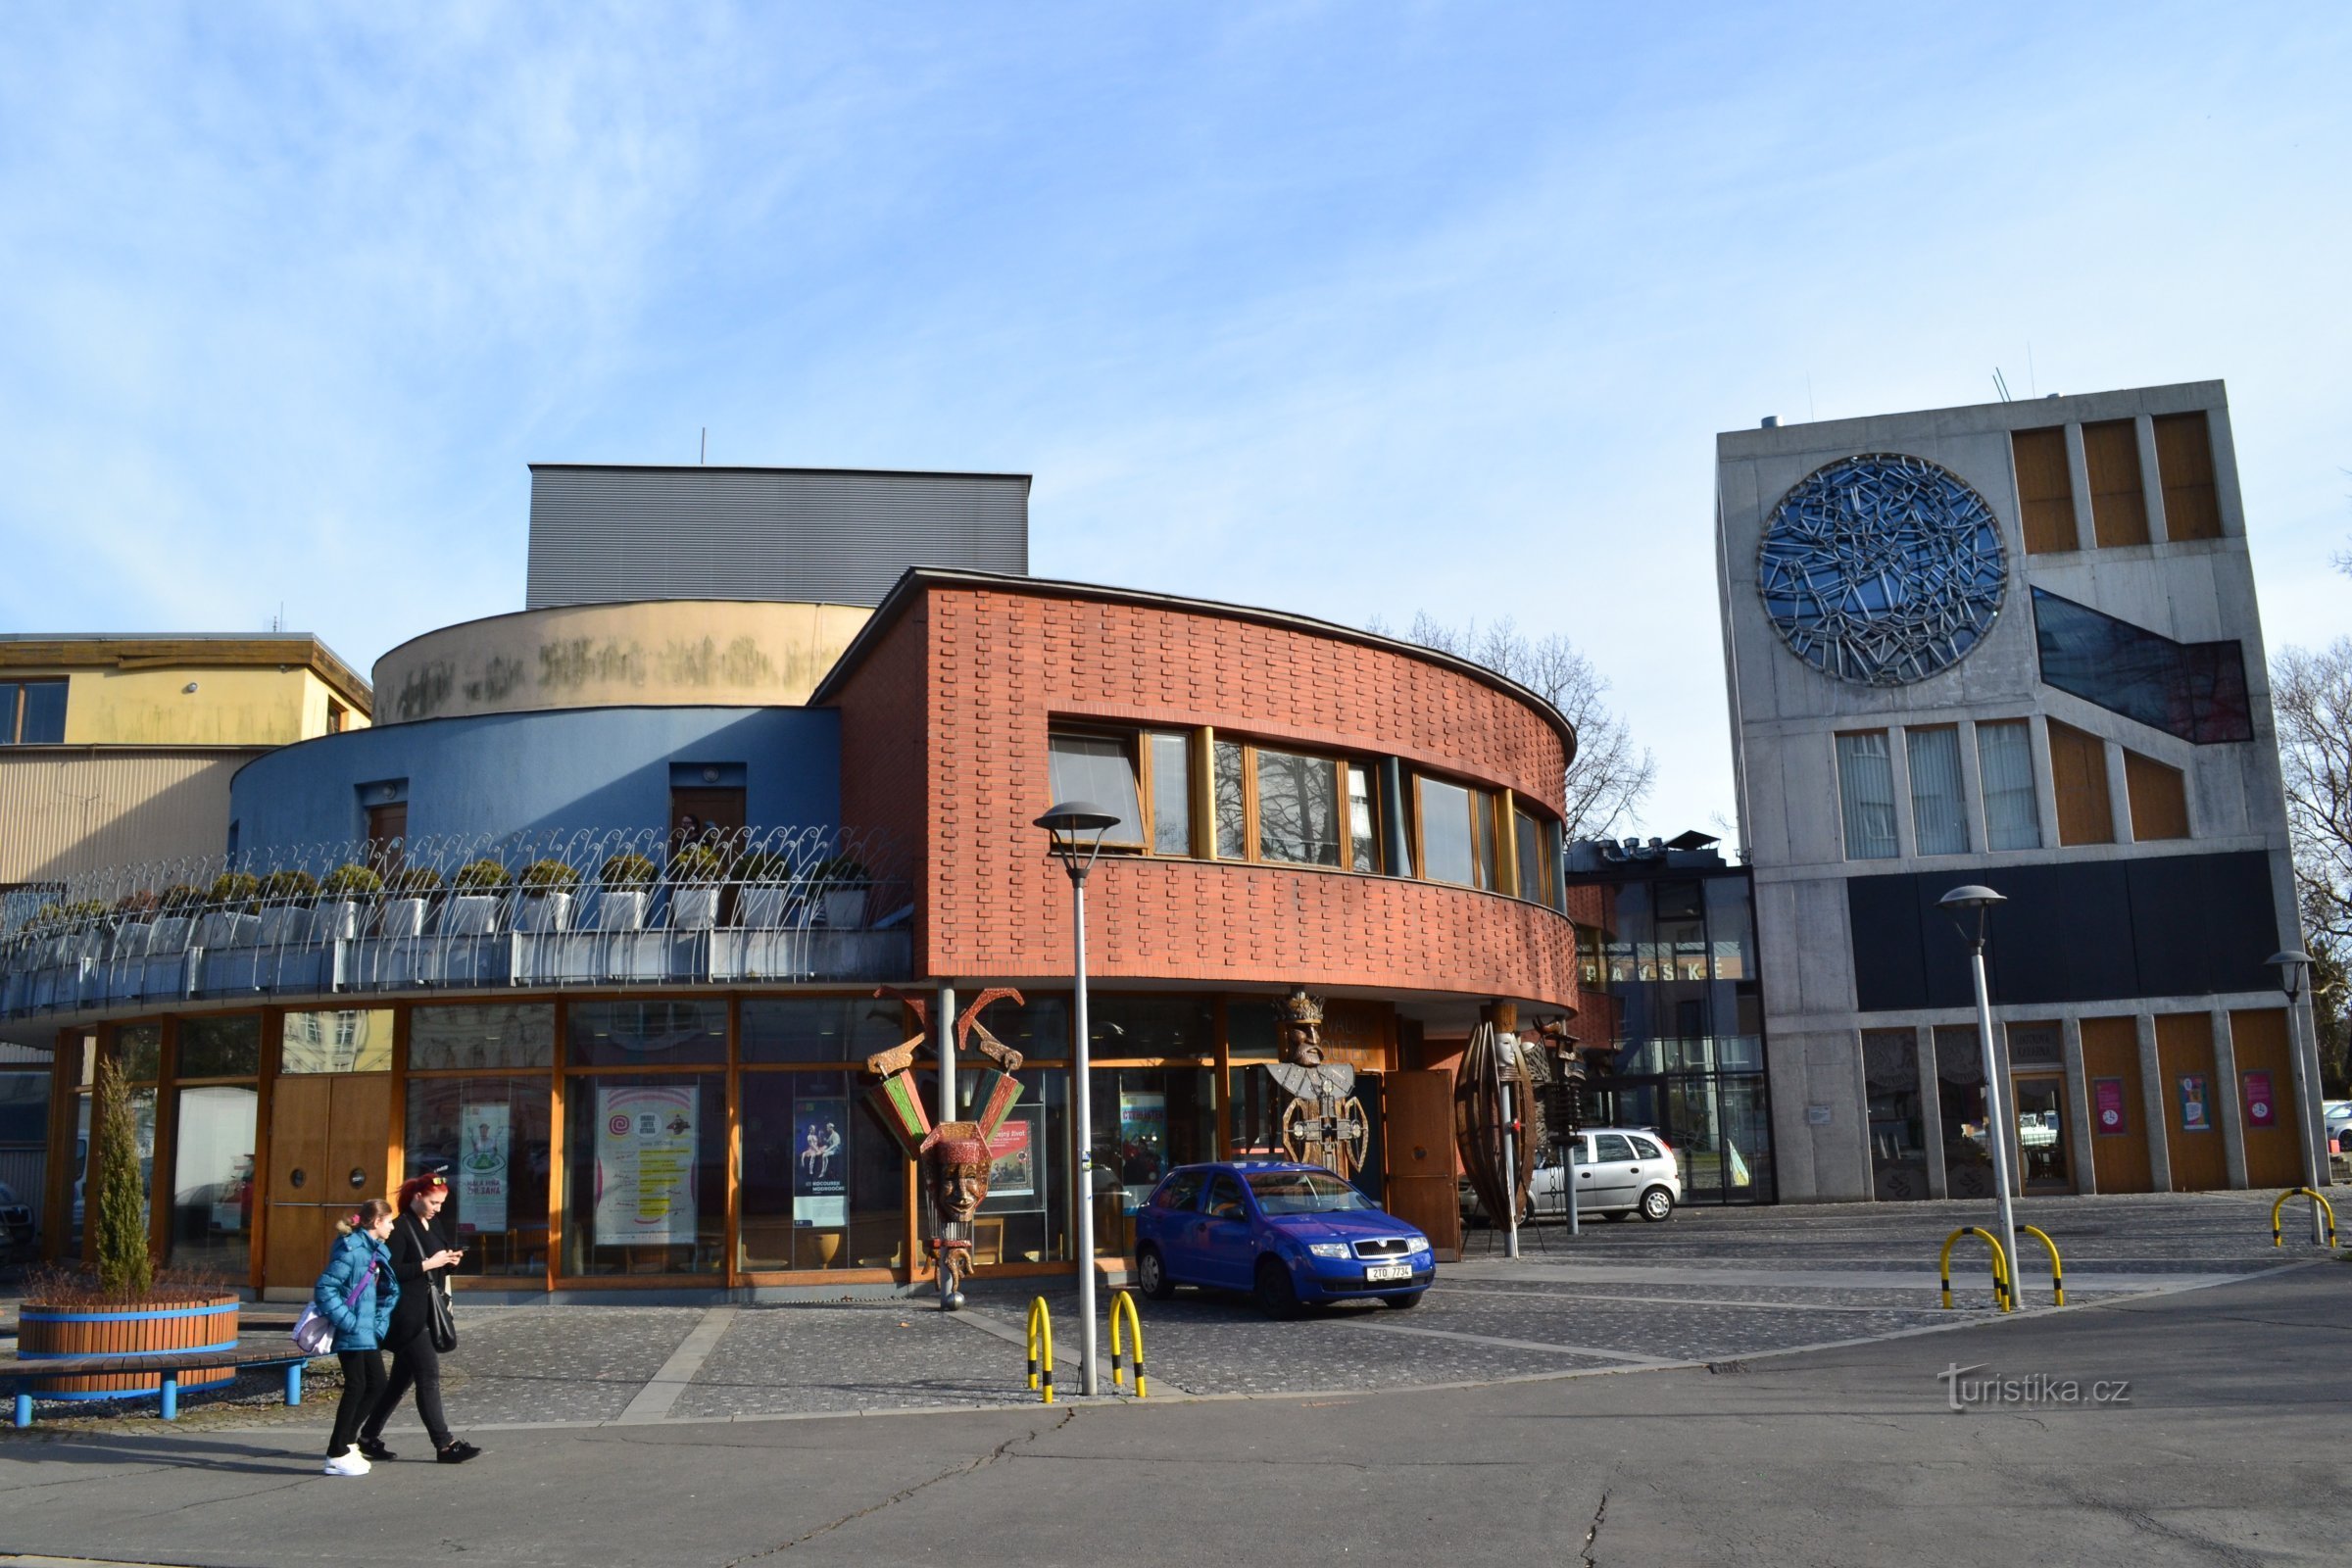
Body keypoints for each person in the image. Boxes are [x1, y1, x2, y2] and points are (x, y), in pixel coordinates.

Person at [358, 1166, 482, 1465]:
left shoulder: (433, 1226)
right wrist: (428, 1264)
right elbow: (391, 1272)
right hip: (405, 1318)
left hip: (425, 1312)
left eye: (441, 1204)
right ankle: (444, 1444)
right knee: (428, 1374)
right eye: (433, 1203)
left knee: (401, 1380)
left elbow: (436, 1263)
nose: (437, 1209)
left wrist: (449, 1262)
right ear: (416, 1197)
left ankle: (367, 1437)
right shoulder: (400, 1229)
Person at [317, 1199, 399, 1477]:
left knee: (375, 1384)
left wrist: (375, 1324)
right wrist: (349, 1321)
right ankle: (337, 1450)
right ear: (376, 1222)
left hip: (364, 1329)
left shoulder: (372, 1249)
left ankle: (347, 1442)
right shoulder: (353, 1250)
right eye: (389, 1221)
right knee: (357, 1386)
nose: (392, 1226)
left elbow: (385, 1291)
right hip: (353, 1329)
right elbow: (326, 1288)